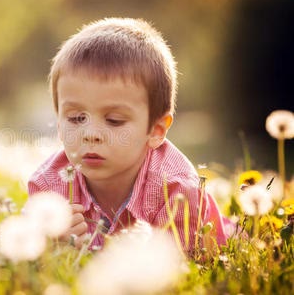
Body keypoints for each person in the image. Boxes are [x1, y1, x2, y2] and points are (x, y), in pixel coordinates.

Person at [27, 17, 231, 252]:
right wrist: (55, 246)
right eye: (76, 118)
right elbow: (31, 254)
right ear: (60, 124)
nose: (91, 134)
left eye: (114, 121)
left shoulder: (176, 190)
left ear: (156, 130)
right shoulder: (48, 186)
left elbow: (176, 270)